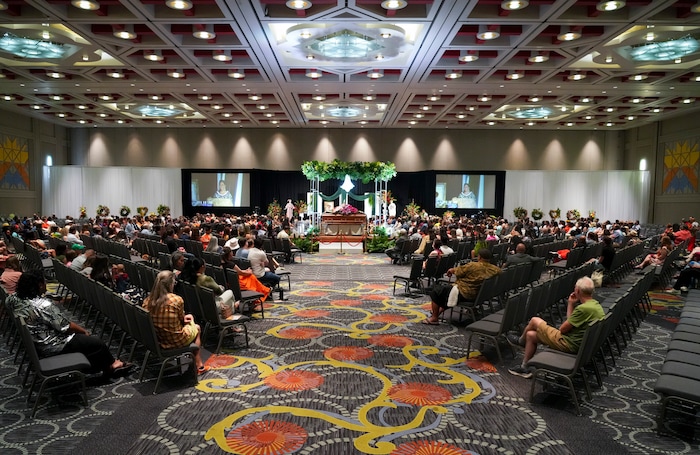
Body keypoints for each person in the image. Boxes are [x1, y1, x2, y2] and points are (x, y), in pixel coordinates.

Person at [8, 270, 132, 378]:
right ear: (40, 285)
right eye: (44, 282)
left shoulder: (13, 299)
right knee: (97, 343)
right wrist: (83, 331)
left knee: (86, 343)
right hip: (52, 345)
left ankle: (109, 365)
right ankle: (111, 365)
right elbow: (65, 326)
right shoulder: (42, 305)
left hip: (36, 343)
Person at [507, 276, 604, 378]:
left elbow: (562, 329)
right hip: (578, 344)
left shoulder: (583, 309)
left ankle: (521, 342)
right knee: (531, 335)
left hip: (568, 344)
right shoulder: (596, 305)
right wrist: (570, 304)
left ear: (578, 290)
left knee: (534, 321)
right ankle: (524, 367)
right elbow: (570, 322)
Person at [142, 271, 205, 373]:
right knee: (197, 328)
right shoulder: (176, 300)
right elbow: (182, 319)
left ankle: (196, 363)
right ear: (170, 284)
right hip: (175, 340)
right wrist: (191, 320)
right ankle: (198, 364)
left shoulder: (147, 301)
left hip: (158, 340)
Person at [423, 249, 501, 324]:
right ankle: (437, 313)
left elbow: (459, 272)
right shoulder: (496, 270)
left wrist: (451, 270)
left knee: (436, 292)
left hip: (465, 292)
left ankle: (434, 318)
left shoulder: (473, 265)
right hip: (480, 294)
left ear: (479, 257)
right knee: (446, 292)